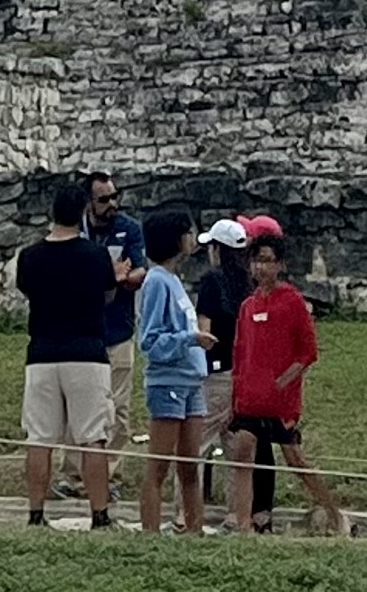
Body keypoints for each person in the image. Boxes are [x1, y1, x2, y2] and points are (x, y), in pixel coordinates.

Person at [223, 230, 349, 537]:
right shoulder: (247, 307)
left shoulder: (292, 301)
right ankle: (243, 523)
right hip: (250, 400)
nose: (261, 268)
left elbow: (308, 353)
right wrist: (234, 398)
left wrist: (282, 383)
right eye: (256, 261)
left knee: (296, 459)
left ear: (280, 265)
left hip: (280, 402)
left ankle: (336, 516)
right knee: (243, 450)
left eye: (268, 261)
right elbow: (239, 355)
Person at [15, 179, 121, 527]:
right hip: (86, 351)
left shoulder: (29, 257)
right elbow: (107, 295)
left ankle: (35, 513)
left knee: (40, 437)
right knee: (92, 437)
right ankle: (99, 514)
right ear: (84, 213)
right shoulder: (95, 256)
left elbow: (30, 292)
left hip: (43, 352)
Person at [134, 210, 213, 535]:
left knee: (190, 466)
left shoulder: (173, 280)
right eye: (188, 233)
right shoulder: (155, 282)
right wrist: (190, 339)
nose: (192, 239)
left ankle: (194, 530)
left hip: (191, 380)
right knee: (159, 466)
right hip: (168, 381)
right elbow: (150, 341)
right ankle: (150, 532)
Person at [197, 216, 256, 526]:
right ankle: (237, 513)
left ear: (217, 250)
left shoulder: (211, 281)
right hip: (244, 372)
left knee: (198, 444)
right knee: (236, 448)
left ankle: (187, 512)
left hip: (216, 369)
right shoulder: (250, 285)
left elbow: (205, 331)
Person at [88, 171, 148, 437]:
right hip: (84, 328)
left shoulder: (129, 228)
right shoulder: (78, 232)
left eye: (115, 196)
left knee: (118, 404)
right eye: (104, 199)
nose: (112, 203)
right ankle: (74, 475)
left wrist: (122, 278)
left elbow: (141, 271)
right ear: (88, 202)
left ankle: (111, 471)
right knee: (83, 405)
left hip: (118, 326)